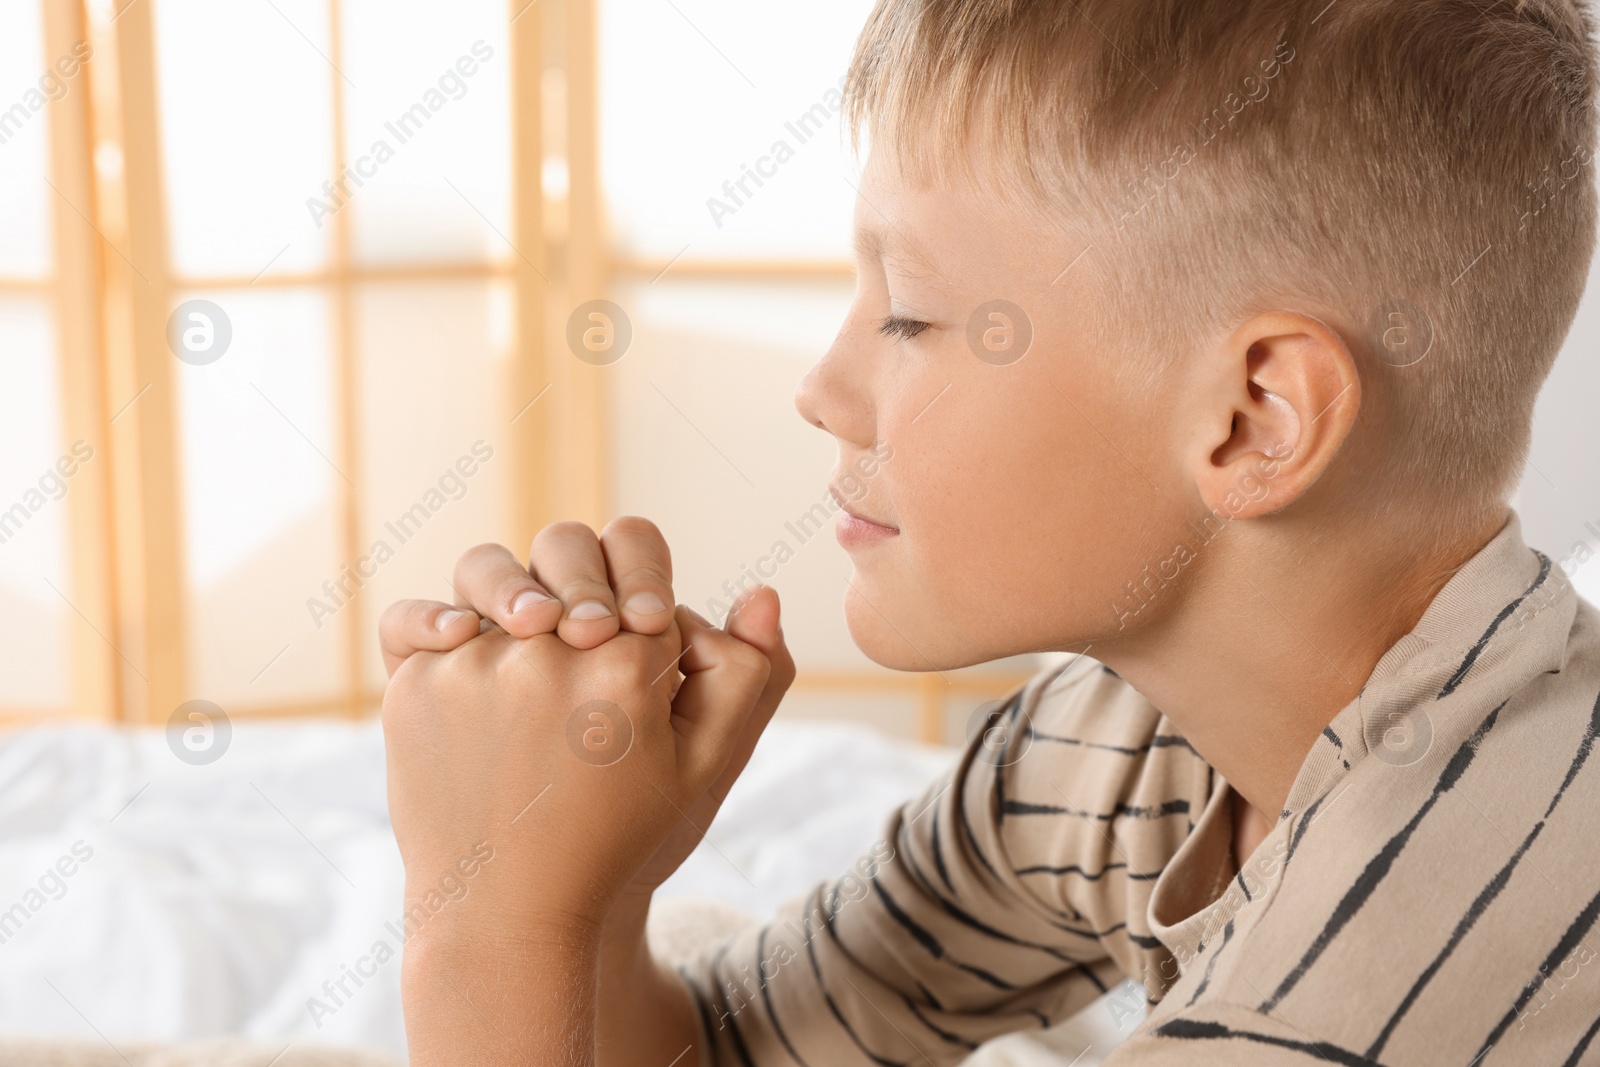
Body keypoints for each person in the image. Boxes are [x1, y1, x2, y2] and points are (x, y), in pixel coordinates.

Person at [376, 0, 1600, 1063]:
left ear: (1250, 420)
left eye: (908, 317)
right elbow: (741, 1046)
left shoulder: (1387, 969)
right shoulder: (1116, 739)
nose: (822, 389)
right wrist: (578, 873)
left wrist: (479, 928)